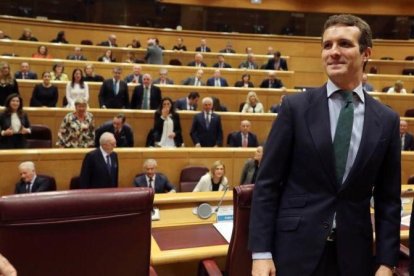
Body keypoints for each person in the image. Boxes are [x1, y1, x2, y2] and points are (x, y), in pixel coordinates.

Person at [249, 14, 401, 276]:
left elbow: (388, 200)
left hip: (354, 256)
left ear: (366, 53)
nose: (333, 52)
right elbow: (267, 184)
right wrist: (261, 253)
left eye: (344, 44)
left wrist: (387, 263)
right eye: (327, 45)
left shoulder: (386, 120)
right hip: (294, 251)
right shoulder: (295, 108)